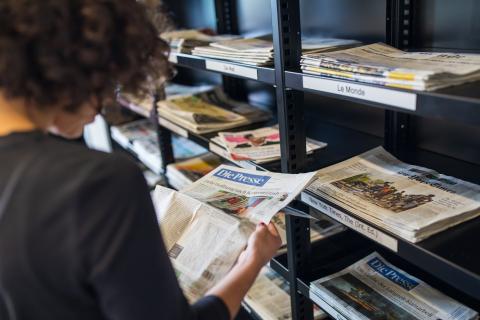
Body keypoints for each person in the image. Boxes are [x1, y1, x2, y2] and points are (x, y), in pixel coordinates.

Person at [0, 1, 282, 319]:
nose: (106, 102)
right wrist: (252, 262)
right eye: (109, 81)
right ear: (79, 65)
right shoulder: (98, 181)